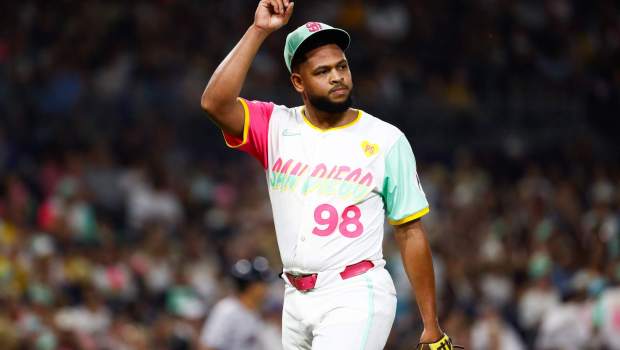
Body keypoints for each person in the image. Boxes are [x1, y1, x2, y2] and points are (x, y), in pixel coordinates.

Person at [200, 1, 460, 349]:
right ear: (298, 81)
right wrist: (259, 30)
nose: (337, 76)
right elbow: (214, 103)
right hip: (295, 298)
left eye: (342, 66)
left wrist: (431, 325)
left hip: (356, 291)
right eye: (323, 71)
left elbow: (410, 231)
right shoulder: (276, 126)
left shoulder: (386, 140)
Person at [199, 257, 275, 350]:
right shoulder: (227, 310)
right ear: (251, 286)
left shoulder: (254, 311)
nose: (266, 288)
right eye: (262, 283)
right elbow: (207, 346)